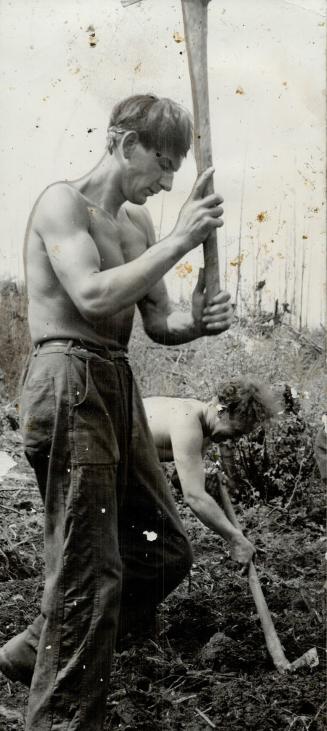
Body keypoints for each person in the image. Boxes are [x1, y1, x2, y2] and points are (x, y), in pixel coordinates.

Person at [0, 94, 235, 731]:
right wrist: (186, 237)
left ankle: (30, 655)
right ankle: (60, 720)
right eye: (161, 164)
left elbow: (157, 322)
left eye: (174, 170)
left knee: (164, 552)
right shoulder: (62, 203)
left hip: (116, 381)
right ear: (120, 141)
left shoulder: (136, 225)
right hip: (66, 376)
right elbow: (94, 293)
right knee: (91, 570)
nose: (165, 182)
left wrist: (199, 322)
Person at [144, 377, 276, 562]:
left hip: (121, 468)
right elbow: (194, 497)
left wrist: (206, 482)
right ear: (222, 411)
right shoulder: (187, 421)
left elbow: (178, 480)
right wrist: (235, 538)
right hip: (98, 461)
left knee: (169, 552)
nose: (234, 441)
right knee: (169, 553)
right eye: (236, 432)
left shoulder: (205, 431)